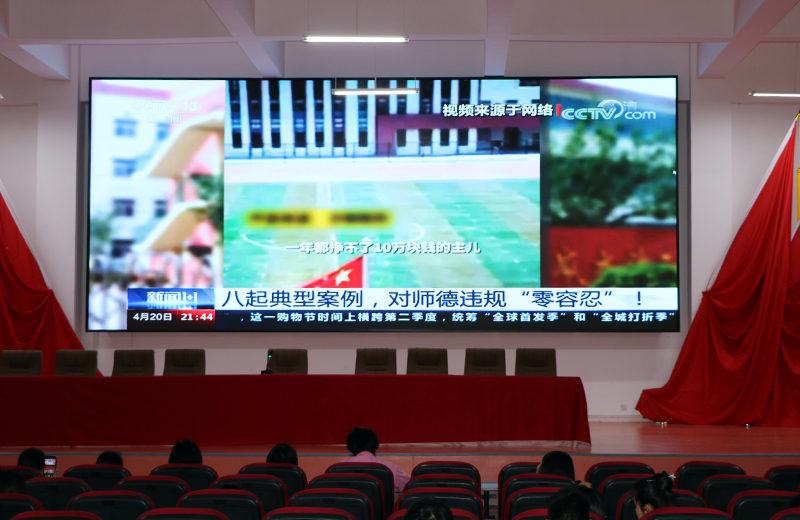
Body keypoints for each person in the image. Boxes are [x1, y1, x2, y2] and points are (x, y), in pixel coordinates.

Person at [342, 427, 410, 492]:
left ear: (349, 446)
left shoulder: (339, 469)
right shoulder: (389, 469)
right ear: (375, 445)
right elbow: (412, 484)